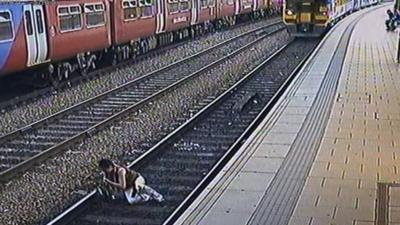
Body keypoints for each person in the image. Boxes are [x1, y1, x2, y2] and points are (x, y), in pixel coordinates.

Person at [97, 158, 165, 204]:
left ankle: (157, 196)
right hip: (129, 185)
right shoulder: (108, 173)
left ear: (109, 167)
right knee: (131, 200)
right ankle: (147, 197)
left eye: (105, 169)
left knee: (139, 187)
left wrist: (108, 182)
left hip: (136, 179)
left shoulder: (120, 171)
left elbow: (122, 186)